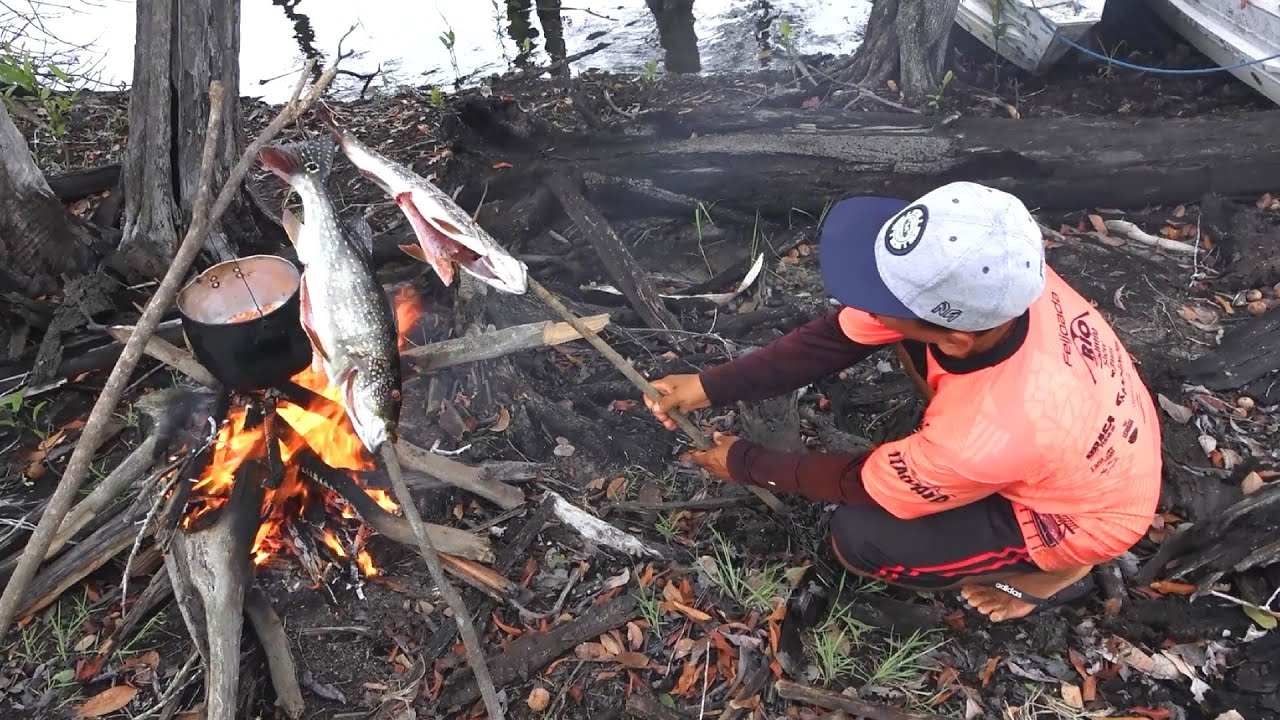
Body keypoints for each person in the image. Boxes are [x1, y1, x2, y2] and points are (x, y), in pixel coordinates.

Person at [644, 181, 1162, 622]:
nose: (865, 302)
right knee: (905, 348)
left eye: (885, 298)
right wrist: (709, 385)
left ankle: (1053, 576)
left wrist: (744, 462)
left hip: (1084, 512)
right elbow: (832, 339)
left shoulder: (984, 437)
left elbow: (859, 483)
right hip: (1081, 434)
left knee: (860, 539)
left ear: (955, 339)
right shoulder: (1004, 276)